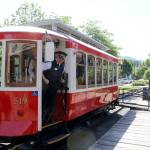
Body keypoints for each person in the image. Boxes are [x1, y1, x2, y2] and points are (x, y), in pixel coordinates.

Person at [42, 51, 67, 124]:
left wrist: (61, 80)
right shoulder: (50, 63)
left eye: (63, 59)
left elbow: (59, 76)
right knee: (45, 103)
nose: (62, 60)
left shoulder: (62, 67)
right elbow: (39, 68)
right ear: (58, 57)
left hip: (54, 87)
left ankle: (48, 119)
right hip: (47, 87)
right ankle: (43, 119)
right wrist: (44, 79)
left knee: (51, 103)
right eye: (61, 58)